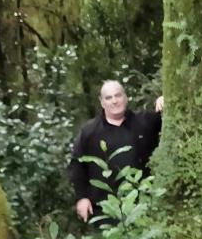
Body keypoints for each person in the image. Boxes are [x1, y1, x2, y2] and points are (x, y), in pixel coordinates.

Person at [69, 80, 164, 223]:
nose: (114, 101)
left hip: (145, 205)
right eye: (108, 97)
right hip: (106, 210)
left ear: (125, 97)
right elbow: (77, 164)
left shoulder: (145, 122)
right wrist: (82, 197)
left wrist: (164, 101)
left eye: (118, 95)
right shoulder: (89, 132)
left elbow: (172, 121)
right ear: (102, 102)